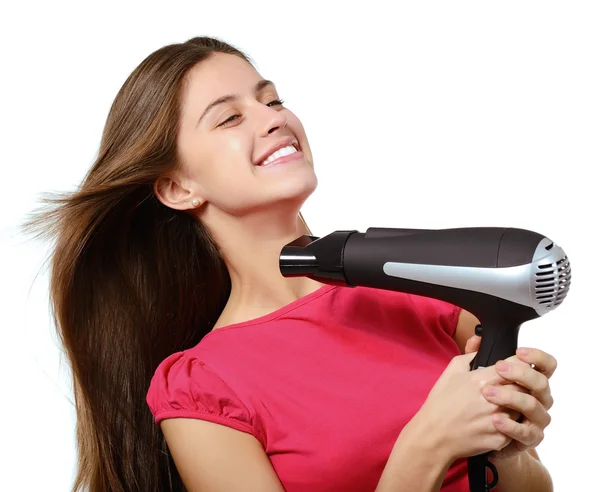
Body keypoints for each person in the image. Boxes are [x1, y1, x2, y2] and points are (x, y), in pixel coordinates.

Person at [26, 36, 557, 492]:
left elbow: (532, 483)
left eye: (273, 100)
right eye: (230, 117)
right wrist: (427, 446)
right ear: (177, 187)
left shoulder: (423, 291)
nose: (274, 118)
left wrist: (505, 450)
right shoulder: (202, 389)